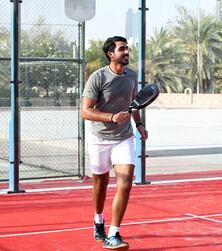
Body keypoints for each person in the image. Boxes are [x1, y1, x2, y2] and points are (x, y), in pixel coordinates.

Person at [81, 36, 148, 250]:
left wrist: (139, 125)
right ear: (111, 53)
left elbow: (135, 104)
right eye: (122, 49)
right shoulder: (98, 77)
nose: (126, 52)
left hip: (124, 138)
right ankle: (98, 220)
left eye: (127, 48)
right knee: (100, 184)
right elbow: (86, 111)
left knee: (126, 182)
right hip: (99, 138)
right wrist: (111, 117)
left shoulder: (132, 76)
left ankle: (114, 233)